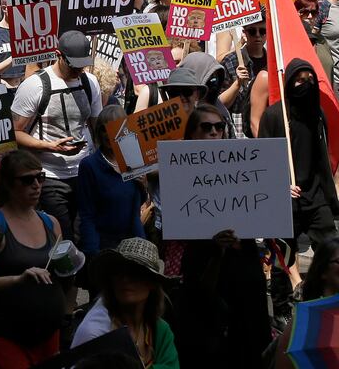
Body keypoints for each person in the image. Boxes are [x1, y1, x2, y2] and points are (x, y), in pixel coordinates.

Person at [167, 101, 269, 366]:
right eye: (206, 127)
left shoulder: (242, 166)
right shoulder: (178, 171)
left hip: (241, 270)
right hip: (201, 272)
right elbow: (178, 227)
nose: (214, 132)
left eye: (219, 127)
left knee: (244, 339)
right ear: (191, 134)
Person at [0, 150, 65, 368]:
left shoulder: (51, 223)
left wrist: (72, 264)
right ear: (9, 185)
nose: (37, 185)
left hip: (48, 334)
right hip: (6, 335)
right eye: (27, 180)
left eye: (40, 177)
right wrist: (18, 279)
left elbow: (61, 274)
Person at [10, 30, 101, 249]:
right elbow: (14, 132)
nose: (79, 71)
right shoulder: (35, 86)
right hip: (49, 175)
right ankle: (65, 281)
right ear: (58, 55)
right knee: (63, 237)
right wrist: (50, 146)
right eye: (73, 65)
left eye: (83, 65)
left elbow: (97, 127)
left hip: (83, 172)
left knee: (84, 234)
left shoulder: (90, 83)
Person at [259, 58, 339, 255]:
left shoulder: (317, 114)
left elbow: (323, 157)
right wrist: (280, 186)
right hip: (286, 199)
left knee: (330, 252)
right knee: (284, 258)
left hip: (315, 197)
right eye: (300, 80)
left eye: (310, 79)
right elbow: (263, 161)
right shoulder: (275, 116)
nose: (306, 85)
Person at [69, 239, 178, 367]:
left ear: (151, 283)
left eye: (135, 271)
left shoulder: (160, 330)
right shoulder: (95, 333)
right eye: (118, 271)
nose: (125, 279)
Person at [75, 105, 146, 264]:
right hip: (104, 245)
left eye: (115, 128)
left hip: (134, 242)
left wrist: (143, 186)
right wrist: (93, 253)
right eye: (103, 129)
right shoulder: (90, 165)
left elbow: (136, 203)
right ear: (98, 132)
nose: (109, 134)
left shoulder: (134, 159)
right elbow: (86, 214)